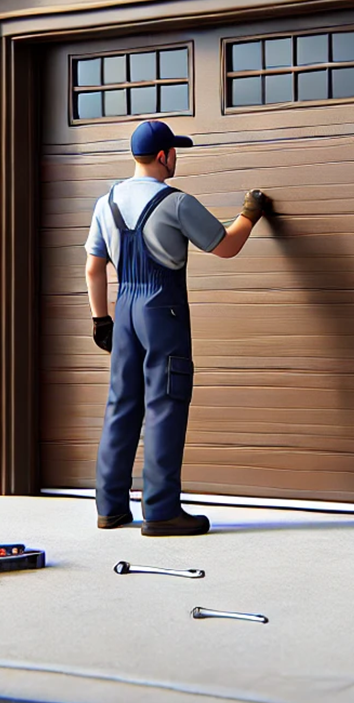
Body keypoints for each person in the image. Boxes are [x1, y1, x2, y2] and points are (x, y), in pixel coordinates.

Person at [85, 119, 270, 536]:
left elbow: (94, 268)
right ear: (165, 156)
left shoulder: (106, 202)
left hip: (125, 307)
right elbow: (226, 246)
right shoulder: (176, 202)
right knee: (165, 405)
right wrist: (251, 214)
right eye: (175, 153)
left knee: (121, 405)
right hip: (162, 310)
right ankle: (162, 511)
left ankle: (110, 507)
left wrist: (101, 319)